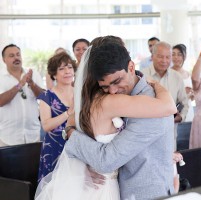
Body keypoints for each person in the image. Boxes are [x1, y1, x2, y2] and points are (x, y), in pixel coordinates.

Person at [41, 41, 176, 199]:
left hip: (144, 194)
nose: (112, 91)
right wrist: (85, 163)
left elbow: (106, 161)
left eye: (116, 82)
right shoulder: (106, 99)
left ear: (131, 68)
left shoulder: (152, 106)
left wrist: (71, 134)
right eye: (105, 86)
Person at [142, 41, 189, 150]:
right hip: (146, 133)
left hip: (169, 133)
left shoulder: (177, 77)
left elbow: (184, 103)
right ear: (152, 56)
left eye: (168, 57)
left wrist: (180, 117)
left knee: (170, 164)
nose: (164, 61)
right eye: (160, 57)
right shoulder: (141, 76)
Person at [37, 52, 77, 182]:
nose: (67, 71)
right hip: (54, 148)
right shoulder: (47, 96)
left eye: (70, 67)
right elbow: (46, 125)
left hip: (77, 146)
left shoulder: (81, 93)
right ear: (54, 74)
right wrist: (67, 113)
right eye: (61, 68)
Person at [0, 44, 44, 147]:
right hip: (8, 137)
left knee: (33, 164)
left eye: (18, 54)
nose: (16, 58)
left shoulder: (33, 74)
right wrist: (20, 84)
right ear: (4, 60)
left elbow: (43, 97)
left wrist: (31, 83)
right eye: (11, 56)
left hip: (33, 135)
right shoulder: (1, 77)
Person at [171, 44, 194, 122]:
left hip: (189, 111)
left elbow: (192, 98)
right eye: (173, 54)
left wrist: (192, 95)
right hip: (175, 113)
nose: (176, 57)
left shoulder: (188, 74)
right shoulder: (168, 73)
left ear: (185, 56)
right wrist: (182, 92)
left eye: (179, 54)